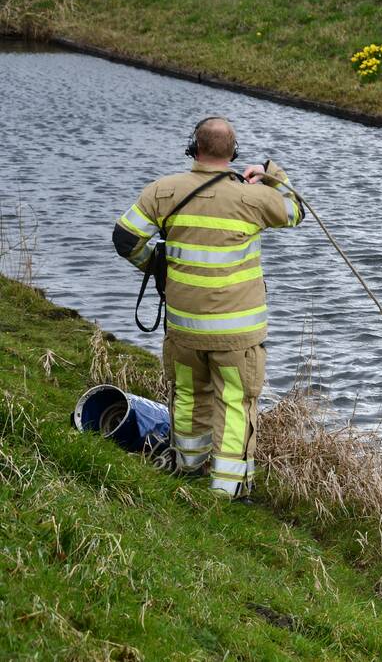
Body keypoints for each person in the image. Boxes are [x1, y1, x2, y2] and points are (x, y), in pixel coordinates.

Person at [112, 116, 304, 500]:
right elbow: (295, 211)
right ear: (233, 152)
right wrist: (271, 173)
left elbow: (125, 239)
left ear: (194, 148)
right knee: (235, 403)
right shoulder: (253, 198)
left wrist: (159, 267)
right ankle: (227, 490)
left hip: (184, 329)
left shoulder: (163, 190)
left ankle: (188, 466)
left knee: (187, 396)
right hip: (237, 337)